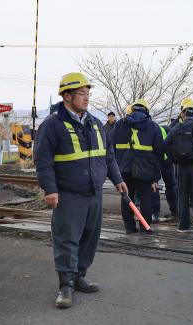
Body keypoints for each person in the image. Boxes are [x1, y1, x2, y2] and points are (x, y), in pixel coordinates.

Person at [34, 72, 127, 309]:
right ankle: (65, 285)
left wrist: (117, 179)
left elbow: (108, 156)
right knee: (67, 239)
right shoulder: (52, 125)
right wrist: (50, 189)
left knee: (89, 237)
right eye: (81, 94)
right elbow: (43, 160)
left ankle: (78, 277)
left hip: (94, 193)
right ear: (67, 96)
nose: (86, 98)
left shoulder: (96, 124)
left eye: (88, 94)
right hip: (68, 195)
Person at [111, 99, 164, 233]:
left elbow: (110, 146)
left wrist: (115, 170)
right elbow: (159, 153)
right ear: (146, 111)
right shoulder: (153, 127)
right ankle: (145, 226)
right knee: (146, 198)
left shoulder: (119, 125)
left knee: (126, 198)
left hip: (124, 168)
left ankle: (129, 227)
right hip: (145, 169)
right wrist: (155, 177)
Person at [165, 101, 193, 235]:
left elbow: (166, 144)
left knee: (182, 196)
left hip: (181, 166)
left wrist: (173, 158)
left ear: (183, 113)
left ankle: (183, 226)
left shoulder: (177, 127)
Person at [151, 123, 178, 221]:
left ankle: (155, 213)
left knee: (154, 185)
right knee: (171, 185)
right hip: (166, 160)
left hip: (156, 161)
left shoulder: (147, 130)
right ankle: (175, 210)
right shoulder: (164, 129)